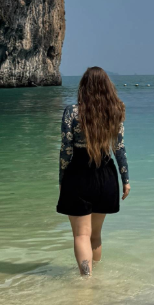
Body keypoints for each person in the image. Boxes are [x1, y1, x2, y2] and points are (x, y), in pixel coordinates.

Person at [56, 66, 130, 275]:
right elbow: (119, 148)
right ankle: (95, 281)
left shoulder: (72, 112)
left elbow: (66, 150)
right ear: (107, 87)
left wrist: (62, 180)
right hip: (106, 176)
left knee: (81, 235)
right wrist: (126, 180)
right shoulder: (116, 112)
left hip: (78, 175)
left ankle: (85, 280)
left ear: (83, 87)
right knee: (95, 235)